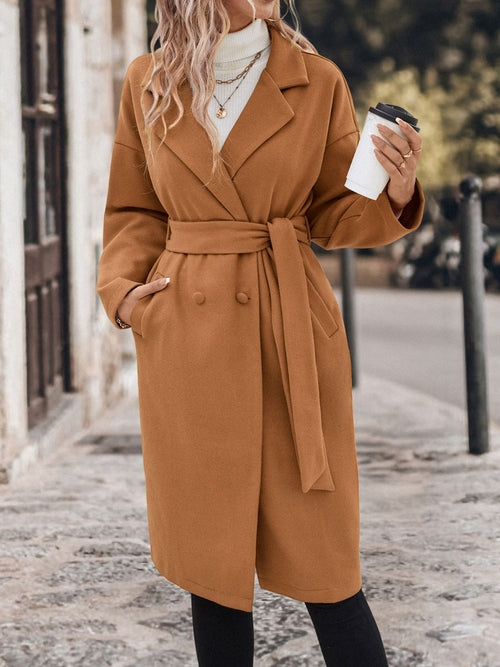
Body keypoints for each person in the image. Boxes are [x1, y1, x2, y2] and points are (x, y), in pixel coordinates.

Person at [97, 1, 424, 664]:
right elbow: (132, 208)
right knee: (210, 566)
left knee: (328, 563)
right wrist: (128, 298)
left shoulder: (317, 78)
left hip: (289, 330)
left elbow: (334, 214)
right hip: (188, 334)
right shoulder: (147, 80)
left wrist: (395, 190)